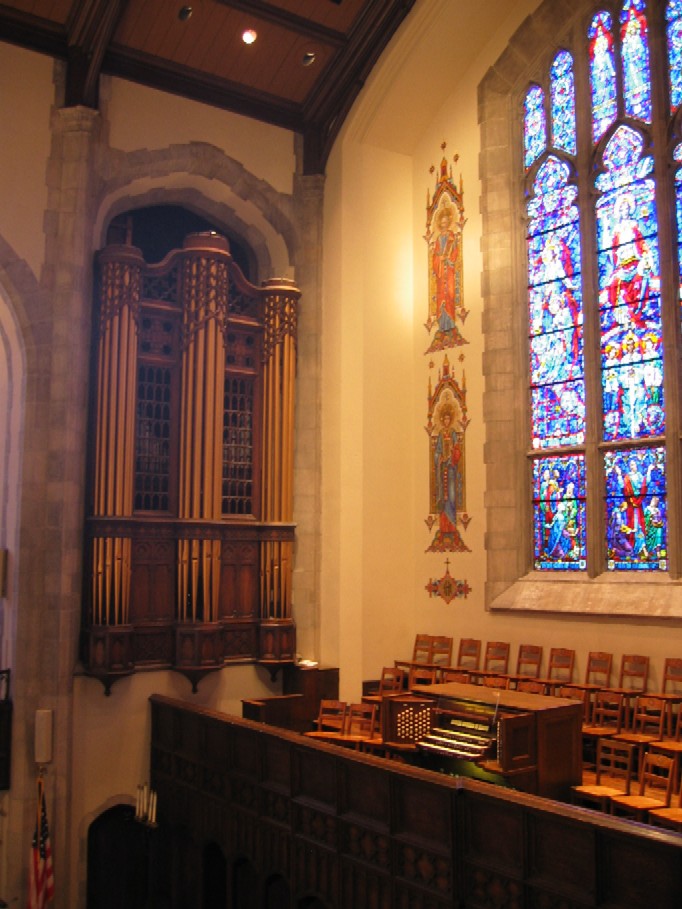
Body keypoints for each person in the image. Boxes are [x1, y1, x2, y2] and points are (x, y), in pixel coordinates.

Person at [431, 205, 461, 334]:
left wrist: (448, 259)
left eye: (446, 222)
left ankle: (450, 323)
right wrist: (440, 259)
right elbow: (435, 257)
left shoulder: (451, 236)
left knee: (449, 294)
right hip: (440, 273)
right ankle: (442, 325)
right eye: (442, 223)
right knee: (441, 296)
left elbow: (455, 252)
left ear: (449, 223)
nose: (444, 225)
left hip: (449, 271)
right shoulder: (438, 239)